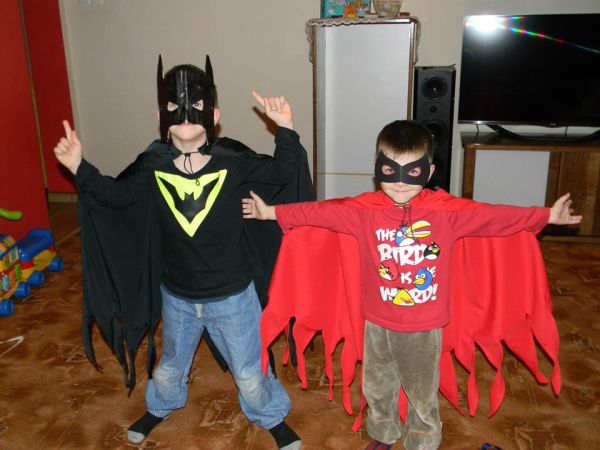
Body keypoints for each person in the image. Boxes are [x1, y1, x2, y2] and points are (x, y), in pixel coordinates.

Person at [242, 120, 582, 450]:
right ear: (377, 169)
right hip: (376, 321)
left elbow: (494, 216)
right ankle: (383, 431)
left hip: (423, 325)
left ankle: (423, 439)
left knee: (421, 390)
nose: (401, 182)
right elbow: (320, 213)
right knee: (378, 384)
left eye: (412, 171)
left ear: (429, 172)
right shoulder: (363, 212)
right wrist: (271, 212)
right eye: (391, 170)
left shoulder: (446, 213)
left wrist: (546, 216)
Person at [53, 57, 309, 449]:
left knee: (248, 371)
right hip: (178, 296)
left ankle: (270, 415)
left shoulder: (233, 161)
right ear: (161, 116)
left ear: (214, 116)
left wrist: (285, 128)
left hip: (233, 295)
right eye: (174, 106)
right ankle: (162, 405)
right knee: (170, 366)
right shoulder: (152, 165)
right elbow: (115, 196)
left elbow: (282, 173)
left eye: (197, 106)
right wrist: (79, 167)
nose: (186, 114)